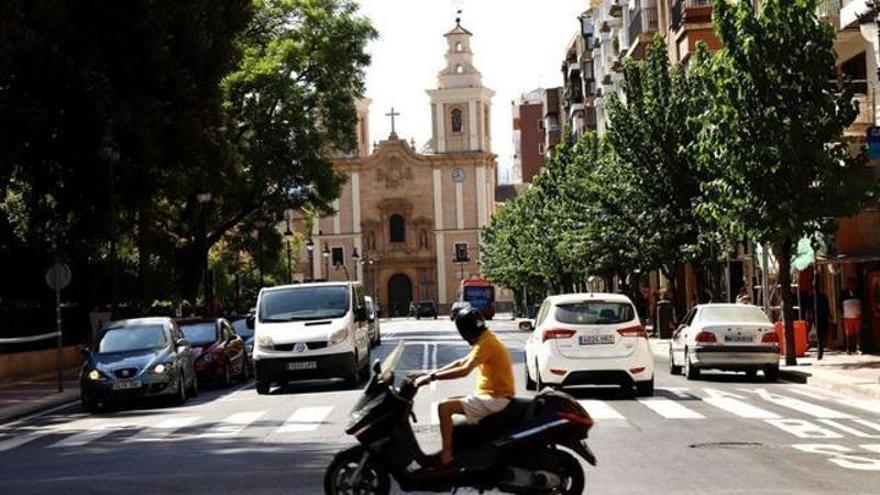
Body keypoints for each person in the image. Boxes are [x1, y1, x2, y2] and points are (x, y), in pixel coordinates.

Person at [413, 308, 514, 467]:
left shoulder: (486, 343)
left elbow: (464, 370)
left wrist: (432, 378)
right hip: (492, 395)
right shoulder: (485, 339)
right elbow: (460, 362)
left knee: (444, 408)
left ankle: (446, 456)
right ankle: (459, 450)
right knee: (450, 401)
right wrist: (430, 374)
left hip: (496, 398)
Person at [841, 277, 862, 355]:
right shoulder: (844, 293)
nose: (851, 284)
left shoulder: (858, 292)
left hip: (857, 316)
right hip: (847, 316)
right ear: (847, 284)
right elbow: (840, 304)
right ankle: (848, 348)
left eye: (852, 283)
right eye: (849, 283)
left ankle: (858, 348)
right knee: (848, 334)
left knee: (858, 333)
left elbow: (862, 302)